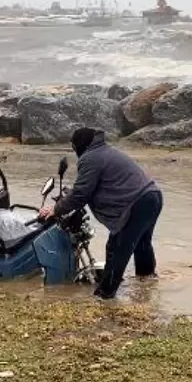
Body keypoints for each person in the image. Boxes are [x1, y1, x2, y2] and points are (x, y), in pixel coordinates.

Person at [38, 127, 163, 299]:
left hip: (137, 203)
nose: (75, 153)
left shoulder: (90, 158)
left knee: (117, 247)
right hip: (152, 196)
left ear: (79, 146)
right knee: (142, 244)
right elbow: (88, 187)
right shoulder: (104, 151)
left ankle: (105, 295)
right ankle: (147, 283)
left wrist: (55, 209)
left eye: (74, 148)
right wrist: (68, 196)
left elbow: (81, 194)